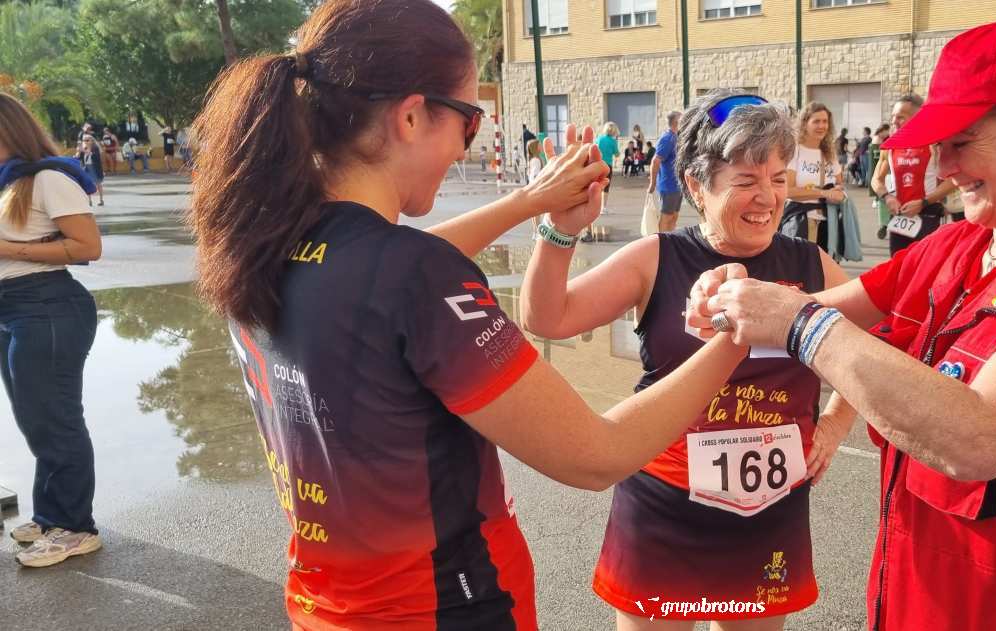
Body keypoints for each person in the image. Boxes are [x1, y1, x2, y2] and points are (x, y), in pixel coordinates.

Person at [185, 1, 748, 627]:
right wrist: (736, 333)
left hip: (327, 606)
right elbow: (596, 455)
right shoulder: (409, 276)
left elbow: (391, 274)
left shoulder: (263, 243)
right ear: (410, 116)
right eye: (469, 122)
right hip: (445, 607)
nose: (463, 148)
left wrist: (531, 203)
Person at [686, 20, 996, 630]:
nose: (945, 166)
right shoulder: (962, 245)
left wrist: (797, 322)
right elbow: (826, 305)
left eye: (961, 142)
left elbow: (981, 437)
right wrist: (733, 295)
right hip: (926, 595)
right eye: (938, 145)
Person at [521, 90, 853, 631]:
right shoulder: (657, 257)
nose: (768, 197)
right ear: (697, 186)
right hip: (664, 505)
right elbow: (547, 317)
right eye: (745, 181)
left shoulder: (811, 265)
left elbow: (876, 342)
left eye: (777, 178)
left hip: (769, 510)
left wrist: (835, 423)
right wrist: (560, 229)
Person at [0, 92, 104, 568]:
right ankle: (50, 516)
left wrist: (7, 248)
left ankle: (76, 527)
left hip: (47, 305)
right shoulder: (8, 183)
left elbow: (87, 246)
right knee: (34, 418)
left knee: (56, 417)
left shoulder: (48, 178)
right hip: (11, 308)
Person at [870, 94, 959, 256]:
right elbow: (876, 180)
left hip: (928, 216)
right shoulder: (890, 147)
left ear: (918, 118)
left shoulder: (935, 144)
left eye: (900, 117)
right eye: (893, 117)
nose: (894, 122)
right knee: (898, 266)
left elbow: (954, 179)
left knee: (926, 267)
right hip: (900, 218)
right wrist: (887, 197)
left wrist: (924, 202)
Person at [779, 102, 845, 249]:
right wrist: (823, 193)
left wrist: (839, 192)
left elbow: (840, 184)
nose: (822, 126)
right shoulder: (795, 151)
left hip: (830, 221)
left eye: (825, 121)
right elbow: (787, 190)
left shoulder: (829, 153)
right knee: (805, 262)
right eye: (816, 121)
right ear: (805, 123)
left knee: (826, 262)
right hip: (802, 220)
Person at [649, 111, 683, 232]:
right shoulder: (667, 139)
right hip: (668, 186)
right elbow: (655, 161)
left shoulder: (676, 137)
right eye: (682, 119)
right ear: (676, 122)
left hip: (677, 185)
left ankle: (670, 239)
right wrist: (652, 183)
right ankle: (662, 241)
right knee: (667, 217)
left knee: (674, 216)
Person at [75, 135, 104, 206]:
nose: (85, 142)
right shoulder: (84, 148)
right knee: (87, 183)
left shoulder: (95, 148)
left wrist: (83, 150)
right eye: (84, 140)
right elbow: (78, 157)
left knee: (98, 184)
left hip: (94, 168)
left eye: (87, 140)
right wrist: (78, 152)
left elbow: (93, 155)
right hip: (87, 168)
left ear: (92, 141)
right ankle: (89, 200)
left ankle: (101, 200)